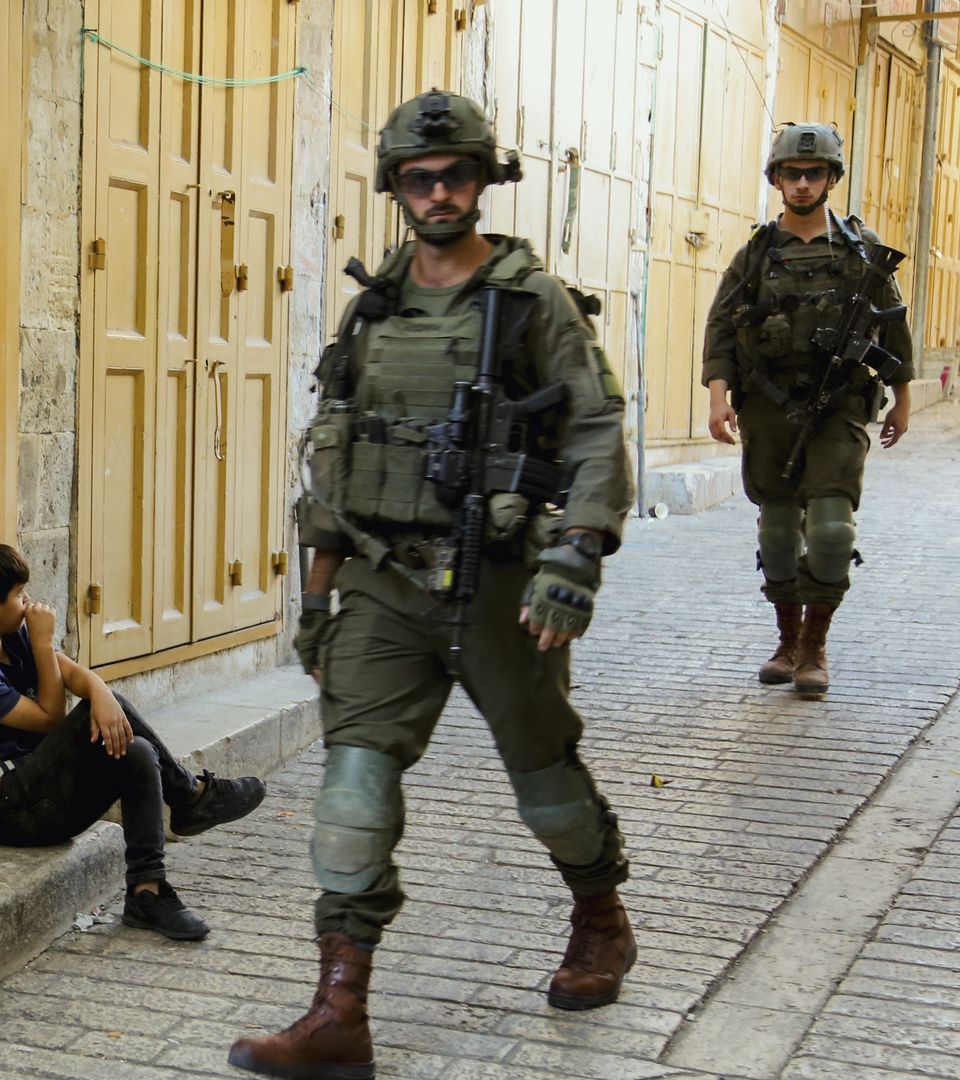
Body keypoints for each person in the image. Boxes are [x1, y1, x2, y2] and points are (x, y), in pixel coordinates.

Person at [228, 90, 637, 1079]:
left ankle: (600, 916)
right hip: (382, 581)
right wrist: (317, 597)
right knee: (353, 792)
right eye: (421, 177)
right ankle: (339, 1014)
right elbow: (334, 455)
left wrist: (574, 558)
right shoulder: (376, 306)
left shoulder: (531, 301)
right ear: (397, 188)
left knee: (547, 786)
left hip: (500, 583)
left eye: (457, 174)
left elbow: (593, 433)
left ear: (484, 180)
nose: (440, 191)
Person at [0, 542, 266, 941]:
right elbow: (50, 719)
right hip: (11, 811)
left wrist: (102, 692)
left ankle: (148, 891)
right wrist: (44, 644)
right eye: (19, 596)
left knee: (137, 750)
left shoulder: (12, 639)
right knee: (107, 716)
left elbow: (78, 678)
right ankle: (191, 796)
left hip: (46, 796)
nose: (28, 603)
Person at [703, 122, 914, 696]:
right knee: (776, 532)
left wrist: (902, 399)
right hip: (770, 407)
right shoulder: (757, 254)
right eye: (791, 173)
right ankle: (787, 641)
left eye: (813, 173)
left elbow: (893, 329)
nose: (801, 183)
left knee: (830, 532)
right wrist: (720, 397)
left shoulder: (862, 250)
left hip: (839, 405)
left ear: (831, 179)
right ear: (776, 179)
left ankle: (816, 647)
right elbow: (722, 327)